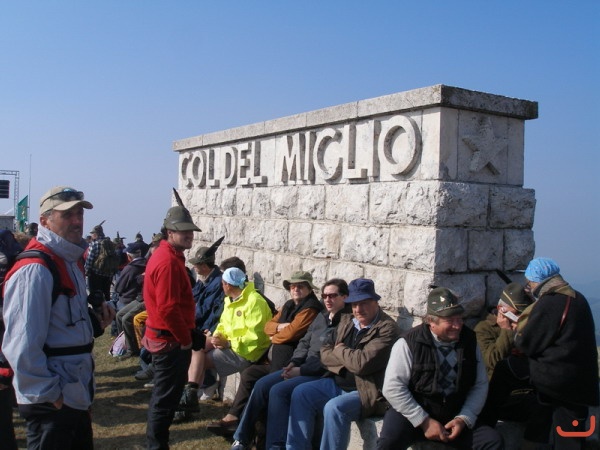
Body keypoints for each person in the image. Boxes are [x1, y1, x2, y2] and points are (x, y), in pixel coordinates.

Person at [2, 185, 114, 449]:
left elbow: (61, 325)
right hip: (54, 400)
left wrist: (94, 322)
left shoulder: (69, 259)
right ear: (45, 221)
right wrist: (48, 395)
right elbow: (21, 344)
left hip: (73, 392)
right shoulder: (35, 270)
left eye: (79, 213)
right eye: (67, 215)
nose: (77, 221)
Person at [230, 278, 351, 450]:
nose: (327, 300)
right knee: (261, 384)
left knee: (278, 390)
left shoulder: (346, 322)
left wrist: (301, 370)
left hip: (319, 373)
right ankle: (241, 438)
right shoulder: (321, 316)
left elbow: (329, 358)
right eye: (325, 296)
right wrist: (294, 362)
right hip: (301, 366)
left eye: (332, 296)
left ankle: (275, 446)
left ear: (345, 297)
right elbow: (304, 342)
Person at [376, 287, 502, 450]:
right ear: (431, 322)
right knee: (388, 442)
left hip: (454, 413)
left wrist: (464, 418)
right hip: (413, 412)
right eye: (450, 320)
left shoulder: (469, 341)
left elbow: (480, 384)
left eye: (459, 319)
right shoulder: (408, 343)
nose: (457, 326)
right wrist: (424, 421)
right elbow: (392, 388)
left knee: (492, 441)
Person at [286, 278, 401, 450]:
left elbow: (361, 364)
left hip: (365, 391)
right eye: (354, 304)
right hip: (336, 382)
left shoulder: (386, 328)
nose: (358, 309)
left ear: (375, 302)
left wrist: (339, 350)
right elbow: (324, 352)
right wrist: (346, 359)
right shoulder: (347, 320)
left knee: (334, 408)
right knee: (301, 393)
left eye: (364, 303)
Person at [207, 270, 323, 438]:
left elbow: (291, 333)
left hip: (289, 364)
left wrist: (275, 335)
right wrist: (279, 327)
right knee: (249, 374)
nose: (296, 289)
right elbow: (267, 326)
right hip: (273, 361)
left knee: (265, 387)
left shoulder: (310, 308)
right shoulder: (289, 305)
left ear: (309, 289)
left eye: (301, 286)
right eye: (293, 286)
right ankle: (233, 418)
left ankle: (251, 434)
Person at [515, 258, 599, 450]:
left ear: (538, 281)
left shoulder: (550, 303)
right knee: (572, 435)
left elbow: (527, 343)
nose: (529, 287)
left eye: (530, 283)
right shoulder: (578, 298)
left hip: (556, 384)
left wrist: (516, 330)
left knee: (557, 435)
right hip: (580, 381)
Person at [142, 200, 205, 450]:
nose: (189, 235)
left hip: (167, 336)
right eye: (183, 230)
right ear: (170, 232)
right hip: (169, 340)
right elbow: (168, 308)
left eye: (190, 230)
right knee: (165, 400)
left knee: (164, 397)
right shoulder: (168, 261)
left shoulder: (168, 256)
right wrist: (186, 339)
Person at [174, 238, 226, 419]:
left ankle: (201, 387)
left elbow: (212, 310)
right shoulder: (205, 280)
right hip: (199, 326)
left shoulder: (217, 282)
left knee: (194, 348)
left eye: (196, 264)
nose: (194, 267)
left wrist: (205, 328)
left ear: (204, 265)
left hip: (207, 329)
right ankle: (192, 391)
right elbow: (193, 299)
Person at [114, 241, 147, 357]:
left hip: (133, 298)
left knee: (123, 318)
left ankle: (130, 348)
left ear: (129, 256)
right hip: (139, 296)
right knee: (120, 316)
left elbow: (118, 288)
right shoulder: (146, 263)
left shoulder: (130, 268)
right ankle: (126, 344)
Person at [84, 221, 114, 305]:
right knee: (107, 294)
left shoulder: (95, 244)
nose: (91, 235)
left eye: (92, 233)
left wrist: (86, 271)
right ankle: (109, 309)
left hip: (96, 274)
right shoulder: (110, 243)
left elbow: (90, 259)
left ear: (95, 234)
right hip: (108, 273)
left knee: (95, 295)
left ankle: (98, 310)